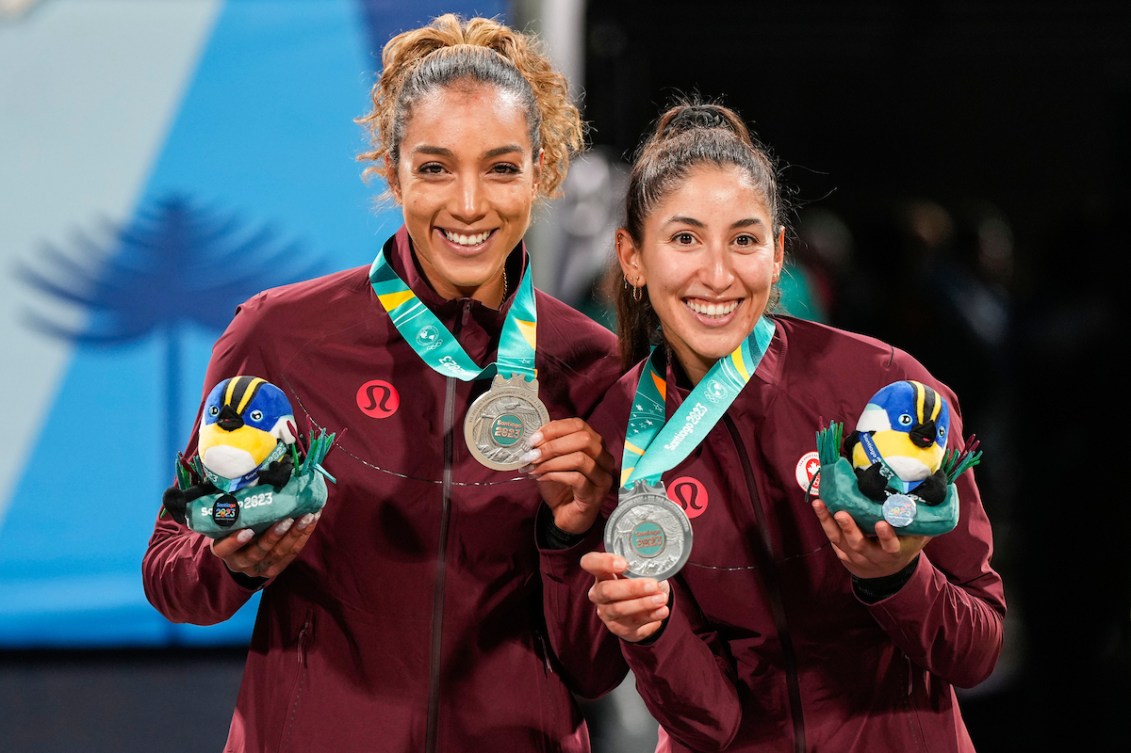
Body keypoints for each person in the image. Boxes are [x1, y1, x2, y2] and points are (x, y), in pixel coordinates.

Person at [142, 13, 625, 753]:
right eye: (434, 167)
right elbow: (170, 570)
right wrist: (228, 560)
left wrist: (568, 533)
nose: (468, 204)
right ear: (392, 168)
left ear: (542, 170)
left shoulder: (592, 364)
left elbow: (595, 664)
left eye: (500, 167)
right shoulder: (280, 335)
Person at [571, 97, 1007, 752]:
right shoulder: (616, 437)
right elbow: (709, 721)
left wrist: (895, 578)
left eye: (743, 240)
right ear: (631, 258)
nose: (716, 274)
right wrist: (650, 631)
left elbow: (975, 651)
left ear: (777, 254)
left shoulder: (884, 389)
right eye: (684, 238)